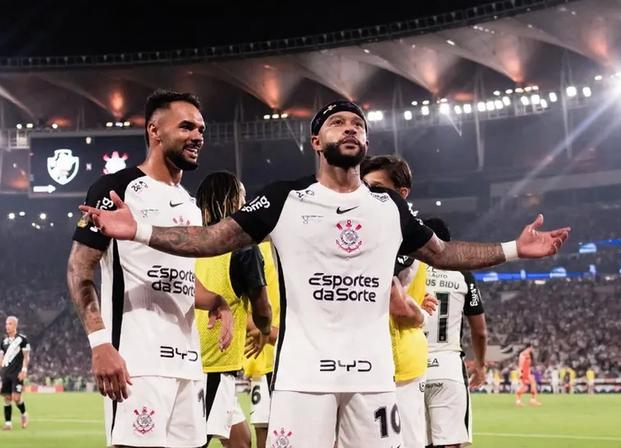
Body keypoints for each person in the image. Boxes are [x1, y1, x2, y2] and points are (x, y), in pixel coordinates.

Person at [79, 99, 570, 447]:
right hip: (300, 380)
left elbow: (443, 253)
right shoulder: (284, 197)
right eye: (338, 123)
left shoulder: (387, 207)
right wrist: (140, 229)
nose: (350, 129)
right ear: (317, 140)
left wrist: (512, 249)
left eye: (357, 124)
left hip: (374, 380)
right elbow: (212, 239)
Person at [67, 90, 233, 448]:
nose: (198, 136)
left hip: (188, 366)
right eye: (186, 127)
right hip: (137, 362)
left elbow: (179, 280)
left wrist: (217, 301)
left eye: (201, 129)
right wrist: (100, 344)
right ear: (155, 131)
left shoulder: (190, 205)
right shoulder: (118, 189)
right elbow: (79, 269)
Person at [193, 172, 273, 448]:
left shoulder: (191, 243)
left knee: (240, 441)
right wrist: (264, 329)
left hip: (197, 357)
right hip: (214, 363)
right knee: (193, 442)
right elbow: (262, 308)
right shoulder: (243, 248)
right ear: (233, 201)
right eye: (242, 196)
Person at [361, 154, 435, 448]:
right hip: (398, 358)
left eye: (377, 187)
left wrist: (421, 315)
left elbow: (396, 303)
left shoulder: (400, 237)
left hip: (393, 360)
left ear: (402, 194)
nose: (369, 193)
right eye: (365, 186)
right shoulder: (415, 234)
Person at [422, 217, 488, 448]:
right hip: (448, 365)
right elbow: (479, 331)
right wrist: (480, 365)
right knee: (451, 443)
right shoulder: (462, 275)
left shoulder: (409, 271)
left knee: (414, 440)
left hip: (411, 366)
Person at [244, 239, 281, 448]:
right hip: (261, 357)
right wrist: (273, 333)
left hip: (287, 357)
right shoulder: (253, 251)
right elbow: (236, 307)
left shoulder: (289, 253)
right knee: (265, 428)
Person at [1, 316, 30, 430]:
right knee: (7, 397)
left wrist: (24, 370)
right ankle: (8, 423)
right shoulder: (3, 341)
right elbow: (1, 357)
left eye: (10, 324)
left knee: (16, 398)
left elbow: (26, 356)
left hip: (17, 373)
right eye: (6, 324)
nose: (7, 326)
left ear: (15, 326)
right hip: (6, 373)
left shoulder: (22, 339)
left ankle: (24, 414)